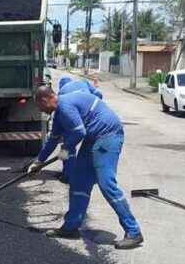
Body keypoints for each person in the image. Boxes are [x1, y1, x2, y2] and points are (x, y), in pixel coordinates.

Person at [28, 85, 144, 249]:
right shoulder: (59, 114)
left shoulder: (65, 106)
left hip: (108, 136)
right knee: (78, 182)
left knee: (107, 184)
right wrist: (38, 162)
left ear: (45, 100)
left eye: (40, 106)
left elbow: (79, 132)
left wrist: (66, 149)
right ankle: (70, 227)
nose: (41, 110)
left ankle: (133, 232)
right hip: (92, 139)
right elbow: (52, 140)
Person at [45, 76, 104, 183]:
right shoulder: (84, 82)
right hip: (90, 116)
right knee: (92, 146)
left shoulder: (62, 95)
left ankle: (68, 174)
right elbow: (99, 95)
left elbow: (56, 133)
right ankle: (93, 175)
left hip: (74, 117)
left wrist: (65, 145)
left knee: (67, 146)